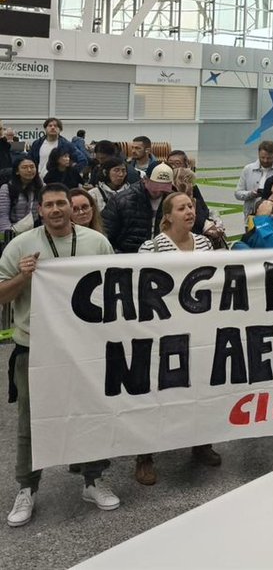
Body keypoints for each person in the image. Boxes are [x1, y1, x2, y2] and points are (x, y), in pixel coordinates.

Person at [2, 184, 121, 526]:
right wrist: (23, 278)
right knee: (31, 421)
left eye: (61, 203)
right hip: (35, 346)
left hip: (86, 346)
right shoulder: (21, 245)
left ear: (73, 207)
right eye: (49, 204)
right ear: (39, 210)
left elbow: (114, 288)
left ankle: (93, 479)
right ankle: (27, 487)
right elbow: (0, 295)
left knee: (91, 412)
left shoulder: (95, 243)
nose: (55, 209)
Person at [132, 191, 222, 485]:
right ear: (167, 216)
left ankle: (201, 443)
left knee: (201, 386)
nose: (190, 211)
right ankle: (145, 455)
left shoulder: (205, 243)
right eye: (182, 208)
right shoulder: (151, 247)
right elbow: (142, 287)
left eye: (192, 206)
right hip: (163, 331)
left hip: (200, 328)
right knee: (156, 391)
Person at [102, 163, 178, 253]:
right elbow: (106, 233)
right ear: (145, 179)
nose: (158, 191)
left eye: (163, 188)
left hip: (164, 254)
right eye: (155, 186)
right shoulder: (121, 201)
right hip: (129, 255)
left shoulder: (174, 201)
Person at [234, 140, 273, 219]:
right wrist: (251, 194)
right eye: (262, 157)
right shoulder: (248, 169)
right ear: (258, 154)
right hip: (251, 217)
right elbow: (237, 193)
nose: (265, 161)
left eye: (269, 158)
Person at [0, 158, 42, 235]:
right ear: (17, 171)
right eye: (24, 167)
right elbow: (3, 216)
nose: (29, 170)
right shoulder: (7, 189)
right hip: (14, 231)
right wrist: (6, 236)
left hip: (35, 231)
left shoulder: (41, 188)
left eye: (32, 167)